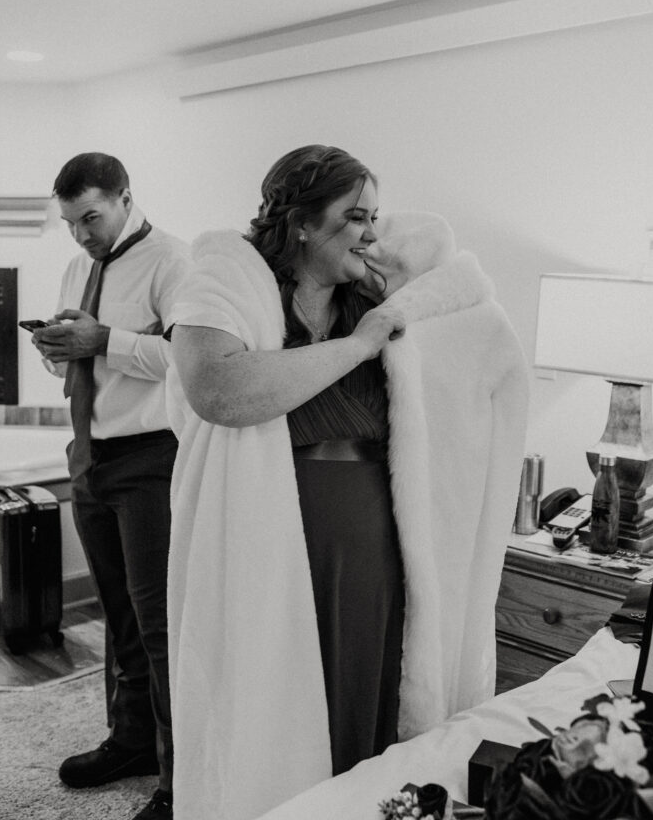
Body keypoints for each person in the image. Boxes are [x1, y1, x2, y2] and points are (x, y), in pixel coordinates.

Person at [165, 145, 529, 820]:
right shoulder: (231, 289)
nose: (370, 233)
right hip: (269, 534)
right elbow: (220, 391)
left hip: (373, 540)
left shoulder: (380, 300)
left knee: (366, 690)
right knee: (271, 700)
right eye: (354, 217)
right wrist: (359, 345)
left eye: (374, 218)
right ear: (302, 223)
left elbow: (480, 336)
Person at [33, 152, 190, 820]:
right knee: (117, 616)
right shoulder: (79, 266)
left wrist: (105, 341)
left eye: (91, 218)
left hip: (150, 459)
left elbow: (188, 359)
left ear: (125, 197)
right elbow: (87, 357)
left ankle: (181, 782)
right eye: (71, 222)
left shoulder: (174, 262)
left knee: (160, 625)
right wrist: (60, 349)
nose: (81, 235)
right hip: (89, 454)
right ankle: (131, 743)